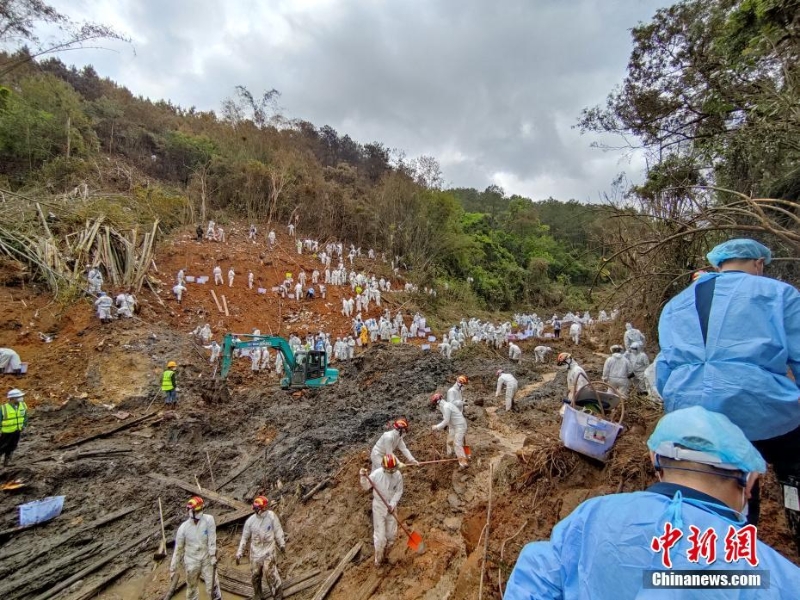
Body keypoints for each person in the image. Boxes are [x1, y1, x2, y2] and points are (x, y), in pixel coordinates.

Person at [504, 406, 800, 599]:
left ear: (656, 461)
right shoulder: (775, 576)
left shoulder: (594, 514)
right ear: (749, 480)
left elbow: (536, 575)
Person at [656, 238, 800, 549]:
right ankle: (794, 509)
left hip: (693, 416)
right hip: (762, 408)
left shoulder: (675, 304)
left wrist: (678, 408)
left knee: (726, 479)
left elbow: (664, 370)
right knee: (793, 464)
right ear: (758, 264)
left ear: (719, 264)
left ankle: (732, 541)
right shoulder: (779, 294)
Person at [237, 496, 285, 600]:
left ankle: (278, 595)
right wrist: (239, 552)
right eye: (254, 508)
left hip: (269, 550)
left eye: (257, 508)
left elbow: (278, 530)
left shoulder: (271, 517)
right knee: (255, 574)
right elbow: (244, 538)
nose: (255, 510)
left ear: (263, 508)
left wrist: (282, 544)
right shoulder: (250, 521)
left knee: (270, 572)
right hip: (256, 551)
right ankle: (258, 595)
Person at [170, 496, 219, 600]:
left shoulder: (208, 520)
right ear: (190, 511)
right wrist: (173, 569)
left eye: (201, 510)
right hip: (191, 561)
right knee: (191, 589)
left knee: (213, 586)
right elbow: (178, 550)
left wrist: (212, 555)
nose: (199, 513)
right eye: (197, 511)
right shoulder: (183, 529)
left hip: (207, 559)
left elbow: (212, 538)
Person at [360, 454, 404, 566]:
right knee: (380, 537)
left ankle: (388, 555)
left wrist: (393, 504)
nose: (391, 472)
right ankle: (378, 560)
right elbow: (365, 487)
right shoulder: (376, 475)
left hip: (391, 507)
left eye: (393, 469)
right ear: (384, 467)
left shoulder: (398, 475)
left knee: (391, 535)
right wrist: (363, 477)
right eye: (389, 470)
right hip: (379, 507)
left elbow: (399, 491)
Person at [431, 392, 469, 468]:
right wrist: (445, 426)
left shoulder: (446, 407)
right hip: (454, 426)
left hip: (459, 426)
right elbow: (448, 419)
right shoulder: (446, 406)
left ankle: (463, 462)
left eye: (435, 404)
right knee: (449, 441)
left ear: (437, 402)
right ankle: (450, 456)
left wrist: (436, 427)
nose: (436, 406)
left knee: (457, 443)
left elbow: (446, 420)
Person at [1, 389, 28, 466]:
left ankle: (7, 461)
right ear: (12, 398)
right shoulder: (3, 408)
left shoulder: (23, 405)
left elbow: (25, 416)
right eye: (18, 397)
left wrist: (24, 425)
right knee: (2, 446)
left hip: (17, 430)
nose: (21, 398)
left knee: (12, 446)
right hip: (6, 432)